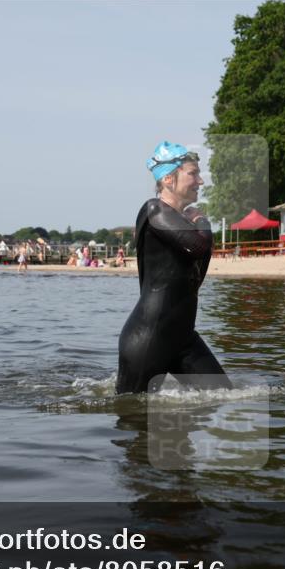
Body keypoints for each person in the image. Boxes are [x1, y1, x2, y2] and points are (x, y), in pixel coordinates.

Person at [116, 142, 231, 394]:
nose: (200, 181)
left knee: (222, 396)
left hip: (183, 337)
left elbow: (197, 272)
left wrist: (197, 221)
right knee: (132, 411)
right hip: (149, 337)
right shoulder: (154, 210)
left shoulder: (183, 222)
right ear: (168, 179)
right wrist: (201, 219)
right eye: (193, 173)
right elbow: (198, 247)